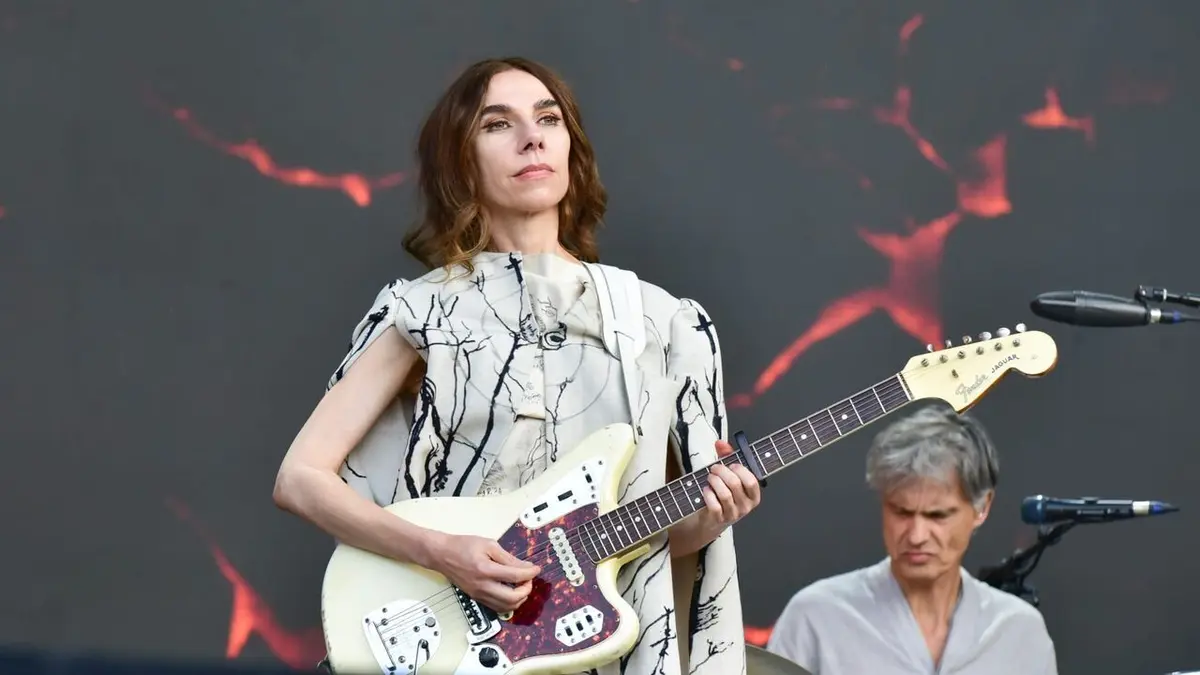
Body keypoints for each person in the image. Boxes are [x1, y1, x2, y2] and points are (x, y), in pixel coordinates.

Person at [272, 56, 760, 675]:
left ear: (570, 147)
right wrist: (442, 551)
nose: (533, 138)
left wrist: (711, 517)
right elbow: (299, 479)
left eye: (549, 119)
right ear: (460, 163)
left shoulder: (658, 322)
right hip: (454, 646)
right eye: (498, 124)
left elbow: (647, 546)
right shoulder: (425, 311)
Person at [766, 405, 1057, 675]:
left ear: (982, 507)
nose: (917, 536)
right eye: (901, 512)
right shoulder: (815, 618)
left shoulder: (1020, 632)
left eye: (938, 515)